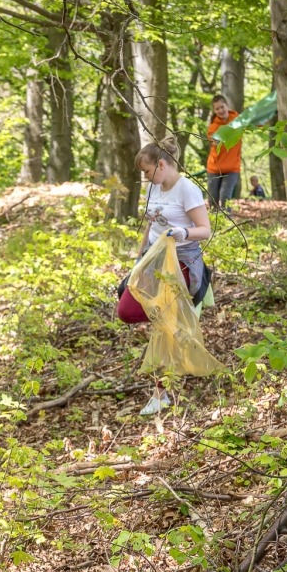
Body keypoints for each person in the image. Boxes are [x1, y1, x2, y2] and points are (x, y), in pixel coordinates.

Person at [117, 136, 212, 415]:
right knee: (126, 309)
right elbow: (150, 228)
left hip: (181, 261)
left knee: (164, 321)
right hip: (154, 259)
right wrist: (138, 261)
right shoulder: (154, 189)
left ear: (161, 164)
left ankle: (162, 393)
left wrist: (184, 232)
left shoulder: (187, 190)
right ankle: (177, 326)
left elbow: (205, 229)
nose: (145, 177)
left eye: (147, 171)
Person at [206, 94, 241, 211]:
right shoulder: (213, 127)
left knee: (225, 196)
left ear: (227, 106)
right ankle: (214, 223)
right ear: (214, 111)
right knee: (212, 199)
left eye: (222, 107)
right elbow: (215, 142)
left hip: (232, 167)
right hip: (214, 168)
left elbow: (254, 123)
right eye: (217, 109)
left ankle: (228, 222)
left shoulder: (239, 120)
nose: (220, 110)